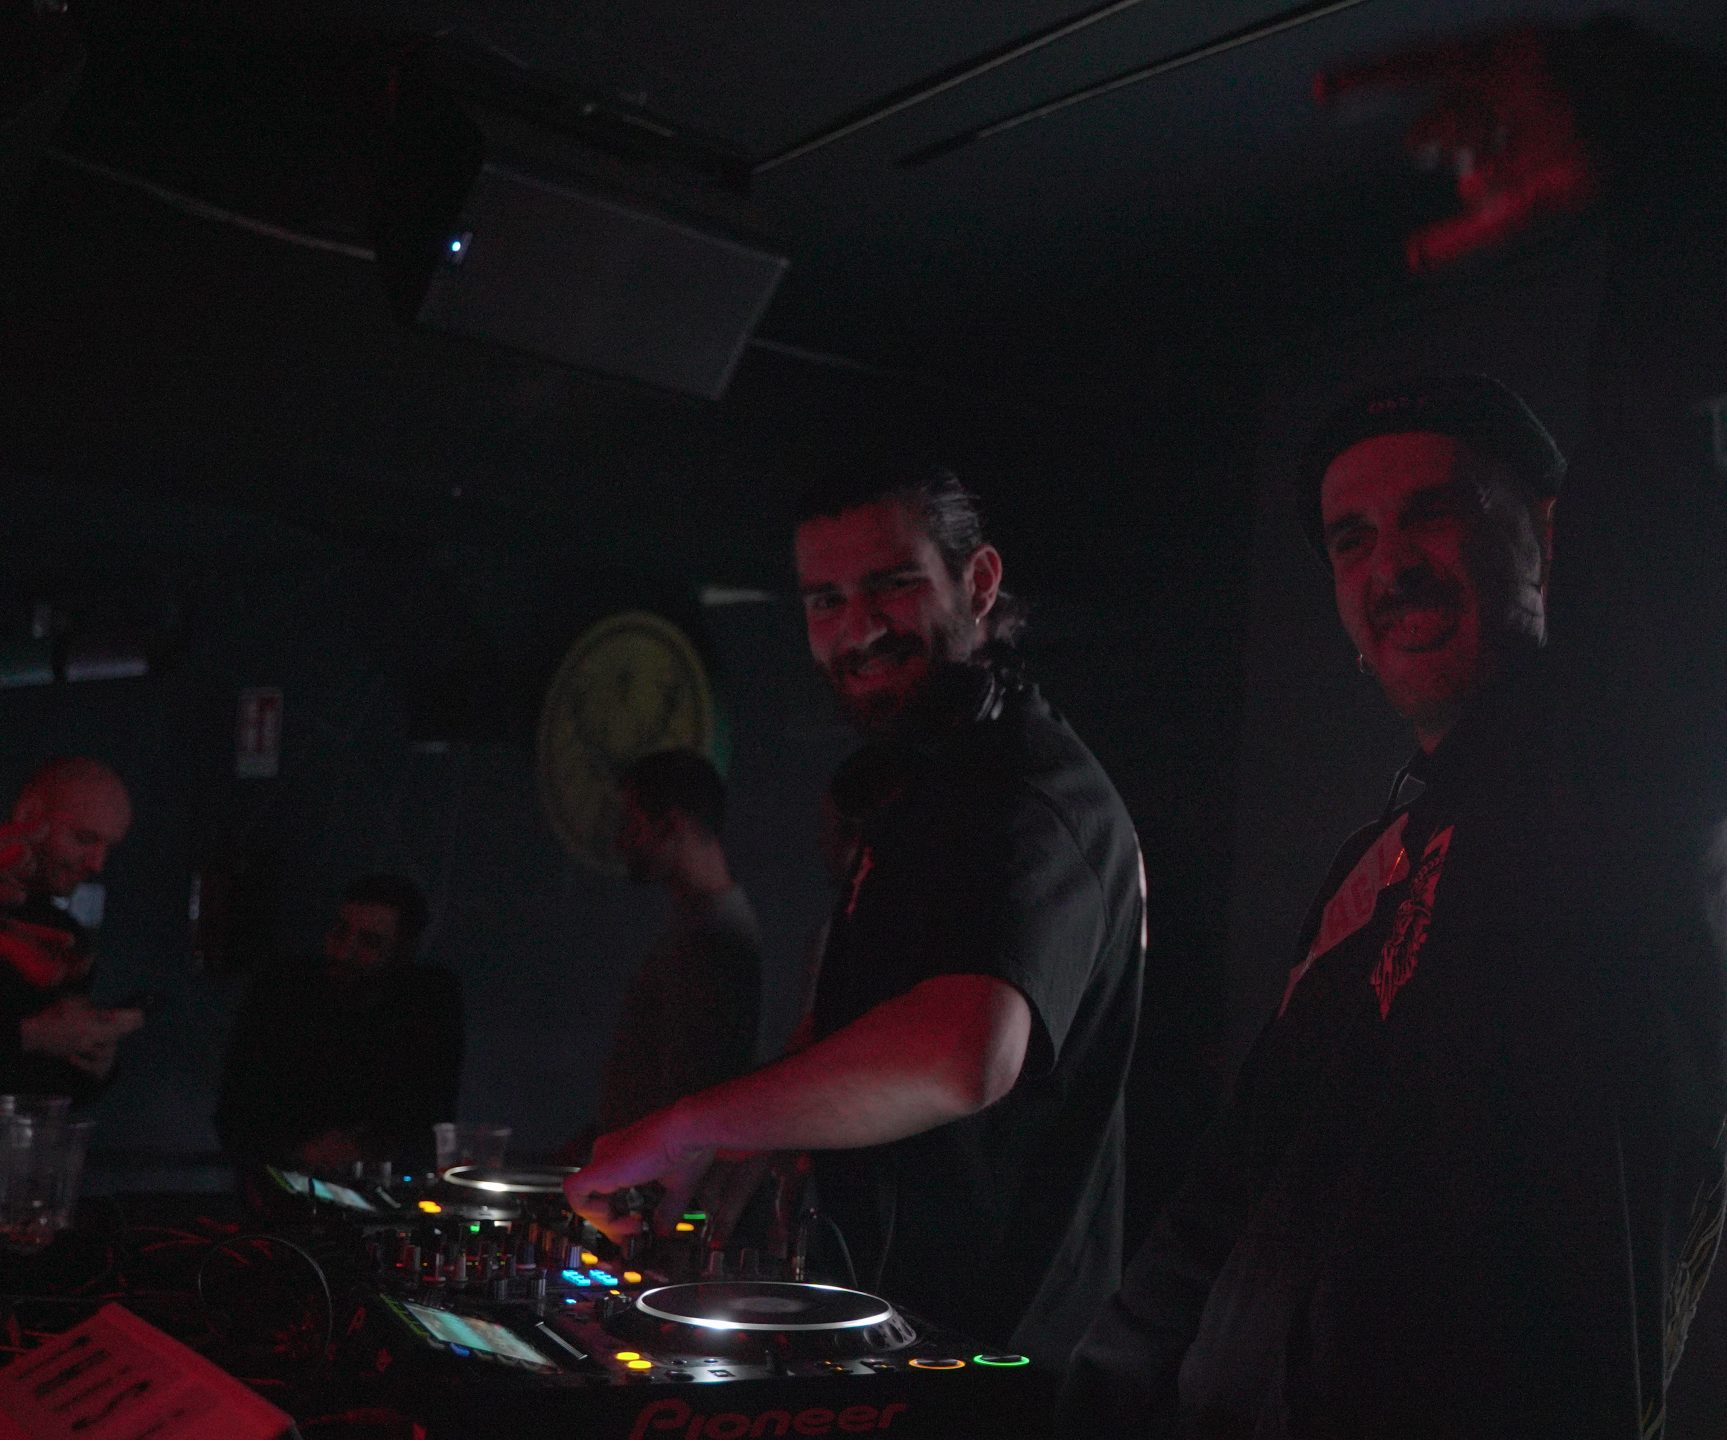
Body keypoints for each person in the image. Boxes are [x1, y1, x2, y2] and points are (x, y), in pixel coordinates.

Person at [1062, 20, 1727, 1436]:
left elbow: (1683, 419)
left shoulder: (1619, 761)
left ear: (1550, 535)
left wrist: (1660, 123)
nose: (1390, 564)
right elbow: (1233, 1195)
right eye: (1351, 539)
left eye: (1436, 513)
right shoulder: (1380, 860)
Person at [570, 464, 1147, 1368]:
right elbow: (869, 1020)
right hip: (904, 1334)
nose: (858, 628)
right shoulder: (926, 792)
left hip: (996, 1366)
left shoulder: (1029, 796)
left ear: (979, 582)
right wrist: (752, 1148)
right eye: (825, 600)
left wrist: (694, 1126)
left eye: (892, 584)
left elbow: (961, 1052)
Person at [215, 873, 464, 1172]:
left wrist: (367, 1148)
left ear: (402, 952)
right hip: (281, 1176)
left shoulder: (427, 1003)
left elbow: (429, 1119)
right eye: (341, 931)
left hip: (382, 1179)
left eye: (369, 942)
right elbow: (235, 1114)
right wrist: (300, 1151)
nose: (345, 951)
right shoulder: (283, 993)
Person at [589, 749, 764, 1138]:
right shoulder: (702, 924)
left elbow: (694, 1089)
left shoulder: (714, 936)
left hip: (661, 1169)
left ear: (671, 825)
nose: (621, 842)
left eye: (631, 823)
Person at [1, 758, 145, 1101]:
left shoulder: (66, 935)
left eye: (107, 848)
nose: (96, 864)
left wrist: (95, 1059)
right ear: (28, 813)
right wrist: (31, 1035)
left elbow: (56, 1088)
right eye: (83, 838)